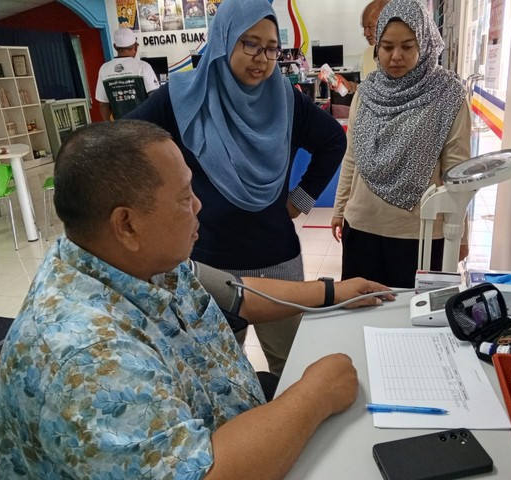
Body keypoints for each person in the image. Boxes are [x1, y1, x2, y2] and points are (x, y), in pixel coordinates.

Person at [0, 120, 394, 479]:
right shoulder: (88, 357)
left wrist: (331, 291)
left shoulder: (131, 259)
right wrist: (314, 395)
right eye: (185, 198)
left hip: (228, 423)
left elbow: (237, 295)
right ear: (127, 224)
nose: (199, 205)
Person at [126, 0, 346, 377]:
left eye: (271, 48)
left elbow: (332, 141)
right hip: (209, 266)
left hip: (277, 261)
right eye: (250, 43)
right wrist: (163, 208)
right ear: (224, 39)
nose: (262, 58)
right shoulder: (183, 98)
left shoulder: (286, 100)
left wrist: (299, 200)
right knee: (219, 375)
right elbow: (124, 145)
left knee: (291, 369)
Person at [331, 0, 471, 288]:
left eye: (407, 46)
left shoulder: (448, 96)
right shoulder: (366, 93)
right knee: (362, 309)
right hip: (362, 228)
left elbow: (457, 174)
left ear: (425, 43)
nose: (396, 56)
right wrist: (339, 209)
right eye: (387, 47)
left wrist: (461, 235)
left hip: (420, 234)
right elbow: (352, 157)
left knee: (413, 313)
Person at [95, 27, 159, 121]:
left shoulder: (104, 69)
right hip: (144, 124)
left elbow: (103, 105)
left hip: (121, 126)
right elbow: (155, 98)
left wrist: (109, 125)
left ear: (115, 46)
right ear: (135, 46)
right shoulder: (143, 66)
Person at [329, 1, 390, 95]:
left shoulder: (406, 57)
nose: (365, 33)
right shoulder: (368, 54)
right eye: (364, 28)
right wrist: (350, 86)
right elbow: (371, 89)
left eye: (370, 27)